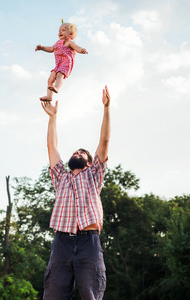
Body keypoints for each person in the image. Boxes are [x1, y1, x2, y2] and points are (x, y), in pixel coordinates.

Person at [40, 85, 111, 299]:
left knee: (90, 294)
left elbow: (104, 142)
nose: (77, 152)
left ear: (89, 163)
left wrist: (107, 108)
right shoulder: (61, 176)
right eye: (75, 151)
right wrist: (52, 118)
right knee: (54, 294)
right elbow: (52, 147)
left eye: (82, 152)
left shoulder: (93, 175)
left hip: (88, 242)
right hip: (62, 242)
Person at [35, 22, 88, 102]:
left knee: (60, 75)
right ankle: (49, 96)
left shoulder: (70, 42)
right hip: (58, 64)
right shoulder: (58, 43)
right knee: (50, 78)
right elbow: (51, 49)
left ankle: (57, 87)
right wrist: (42, 48)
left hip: (66, 63)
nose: (60, 32)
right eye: (59, 31)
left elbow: (77, 48)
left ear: (71, 34)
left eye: (63, 30)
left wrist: (82, 50)